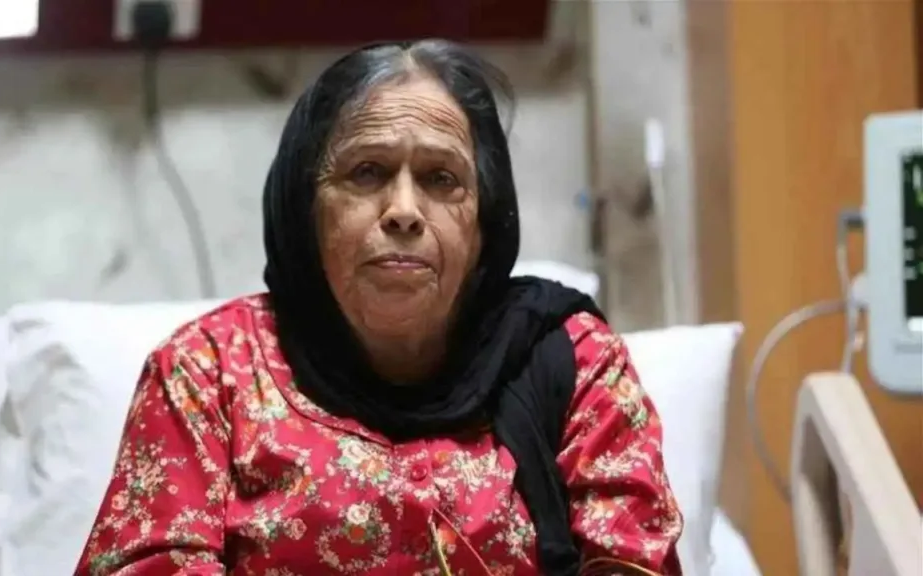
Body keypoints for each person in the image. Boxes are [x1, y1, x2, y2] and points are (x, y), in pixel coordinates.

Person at [74, 40, 682, 576]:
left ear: (483, 224)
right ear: (306, 210)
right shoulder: (207, 373)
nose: (404, 211)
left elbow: (633, 561)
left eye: (441, 179)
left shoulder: (573, 361)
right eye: (366, 172)